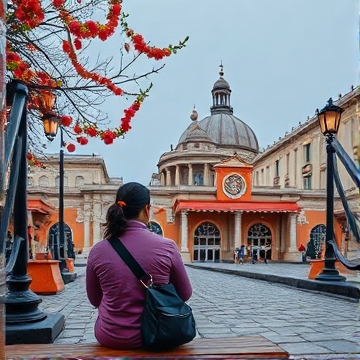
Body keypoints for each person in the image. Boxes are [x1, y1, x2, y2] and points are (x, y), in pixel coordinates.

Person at [86, 182, 192, 350]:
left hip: (112, 337)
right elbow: (185, 294)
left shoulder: (97, 251)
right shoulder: (167, 247)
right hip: (159, 334)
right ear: (147, 209)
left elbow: (94, 300)